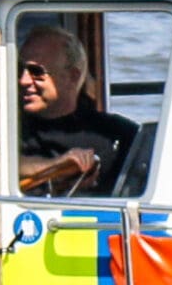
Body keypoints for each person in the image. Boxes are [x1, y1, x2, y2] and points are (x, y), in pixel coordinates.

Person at [14, 26, 136, 194]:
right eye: (20, 70)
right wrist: (55, 167)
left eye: (36, 72)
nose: (23, 81)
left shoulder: (116, 134)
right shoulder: (8, 127)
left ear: (73, 76)